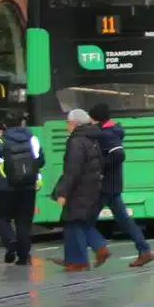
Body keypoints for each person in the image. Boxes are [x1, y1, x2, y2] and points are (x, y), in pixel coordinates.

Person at [89, 102, 154, 268]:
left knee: (84, 221)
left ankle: (92, 251)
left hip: (104, 185)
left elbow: (118, 154)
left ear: (95, 119)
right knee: (125, 220)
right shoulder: (110, 131)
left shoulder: (106, 134)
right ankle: (145, 250)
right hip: (112, 184)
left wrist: (100, 166)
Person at [51, 110, 107, 270]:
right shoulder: (92, 138)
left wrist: (63, 192)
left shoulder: (76, 141)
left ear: (75, 123)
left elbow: (72, 169)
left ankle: (93, 251)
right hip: (91, 185)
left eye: (68, 122)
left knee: (74, 221)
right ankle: (76, 258)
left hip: (79, 188)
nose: (66, 126)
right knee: (78, 221)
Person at [0, 116, 42, 265]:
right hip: (28, 187)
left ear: (5, 125)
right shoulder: (33, 139)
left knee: (2, 219)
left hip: (6, 187)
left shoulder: (0, 141)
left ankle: (11, 241)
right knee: (24, 222)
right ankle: (24, 256)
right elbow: (41, 161)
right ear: (21, 123)